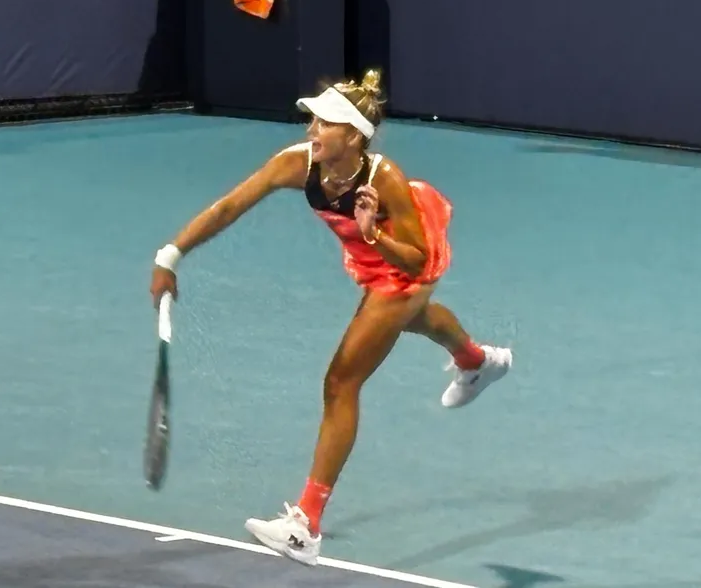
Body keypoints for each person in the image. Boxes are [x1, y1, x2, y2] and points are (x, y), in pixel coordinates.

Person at [148, 70, 513, 566]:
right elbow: (231, 206)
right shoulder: (298, 164)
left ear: (354, 137)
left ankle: (305, 526)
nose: (312, 130)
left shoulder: (384, 180)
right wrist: (171, 255)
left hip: (405, 265)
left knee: (341, 382)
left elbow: (416, 261)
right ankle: (477, 361)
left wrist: (373, 234)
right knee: (414, 321)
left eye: (325, 123)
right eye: (313, 120)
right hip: (373, 262)